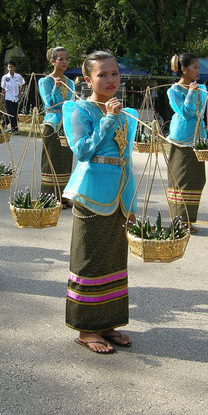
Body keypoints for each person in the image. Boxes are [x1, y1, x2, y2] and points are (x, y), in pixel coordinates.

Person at [62, 50, 138, 354]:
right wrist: (106, 119)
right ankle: (85, 329)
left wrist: (130, 203)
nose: (110, 80)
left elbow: (127, 160)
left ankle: (107, 323)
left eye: (114, 73)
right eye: (102, 74)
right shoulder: (78, 109)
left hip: (118, 196)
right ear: (88, 78)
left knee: (114, 260)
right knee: (90, 260)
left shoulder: (127, 113)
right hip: (91, 193)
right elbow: (82, 151)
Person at [166, 53, 208, 234]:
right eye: (195, 67)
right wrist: (191, 93)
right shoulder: (173, 91)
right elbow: (185, 113)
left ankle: (189, 219)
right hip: (182, 139)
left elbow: (202, 113)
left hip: (198, 138)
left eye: (198, 67)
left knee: (197, 179)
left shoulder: (202, 88)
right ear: (183, 69)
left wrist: (200, 92)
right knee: (181, 179)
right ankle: (179, 220)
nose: (198, 71)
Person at [39, 46, 75, 207]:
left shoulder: (71, 83)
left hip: (67, 125)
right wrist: (56, 86)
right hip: (52, 125)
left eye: (66, 59)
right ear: (53, 61)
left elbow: (72, 103)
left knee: (65, 159)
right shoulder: (45, 81)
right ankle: (49, 196)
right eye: (61, 59)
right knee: (51, 159)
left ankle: (63, 195)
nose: (64, 62)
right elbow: (49, 104)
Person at [1, 61, 25, 133]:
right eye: (9, 67)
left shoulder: (18, 76)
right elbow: (3, 88)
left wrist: (19, 93)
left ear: (14, 67)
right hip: (8, 97)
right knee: (11, 113)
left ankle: (3, 124)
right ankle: (14, 128)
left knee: (14, 113)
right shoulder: (5, 77)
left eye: (12, 66)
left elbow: (22, 84)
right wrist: (2, 98)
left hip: (16, 97)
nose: (10, 68)